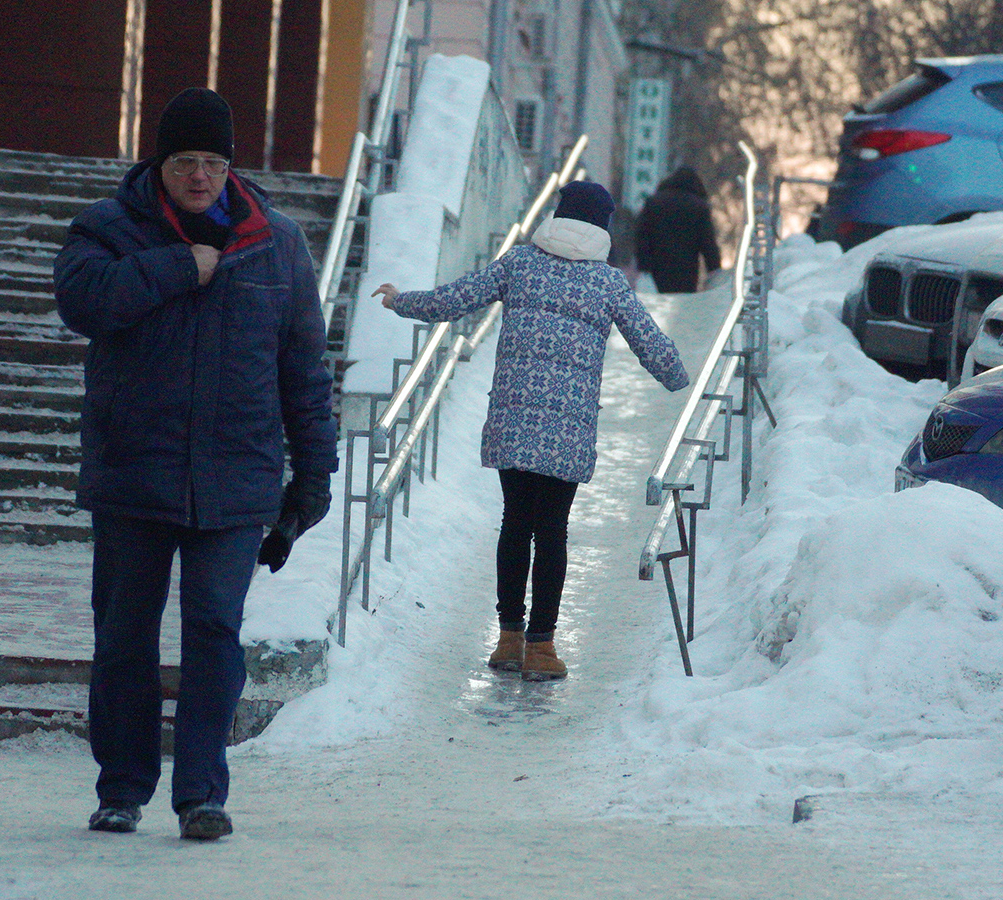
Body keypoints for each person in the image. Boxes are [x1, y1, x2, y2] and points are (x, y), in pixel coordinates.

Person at [54, 87, 338, 841]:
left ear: (230, 166)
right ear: (161, 161)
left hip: (237, 480)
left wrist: (311, 482)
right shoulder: (108, 230)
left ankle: (202, 794)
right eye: (186, 161)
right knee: (123, 635)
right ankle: (122, 787)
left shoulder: (277, 244)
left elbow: (305, 371)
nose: (201, 177)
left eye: (214, 162)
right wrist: (179, 267)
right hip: (133, 473)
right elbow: (82, 300)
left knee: (214, 631)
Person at [373, 181, 688, 681]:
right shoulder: (607, 283)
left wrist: (401, 301)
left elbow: (458, 298)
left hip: (514, 419)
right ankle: (541, 647)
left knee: (516, 522)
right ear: (602, 228)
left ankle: (507, 639)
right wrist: (680, 377)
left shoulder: (520, 263)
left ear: (558, 215)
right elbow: (650, 342)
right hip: (568, 427)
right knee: (553, 531)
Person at [635, 166, 722, 293]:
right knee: (682, 306)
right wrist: (714, 269)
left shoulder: (653, 203)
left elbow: (642, 236)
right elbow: (707, 242)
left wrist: (643, 265)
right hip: (686, 271)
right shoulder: (699, 207)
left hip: (657, 268)